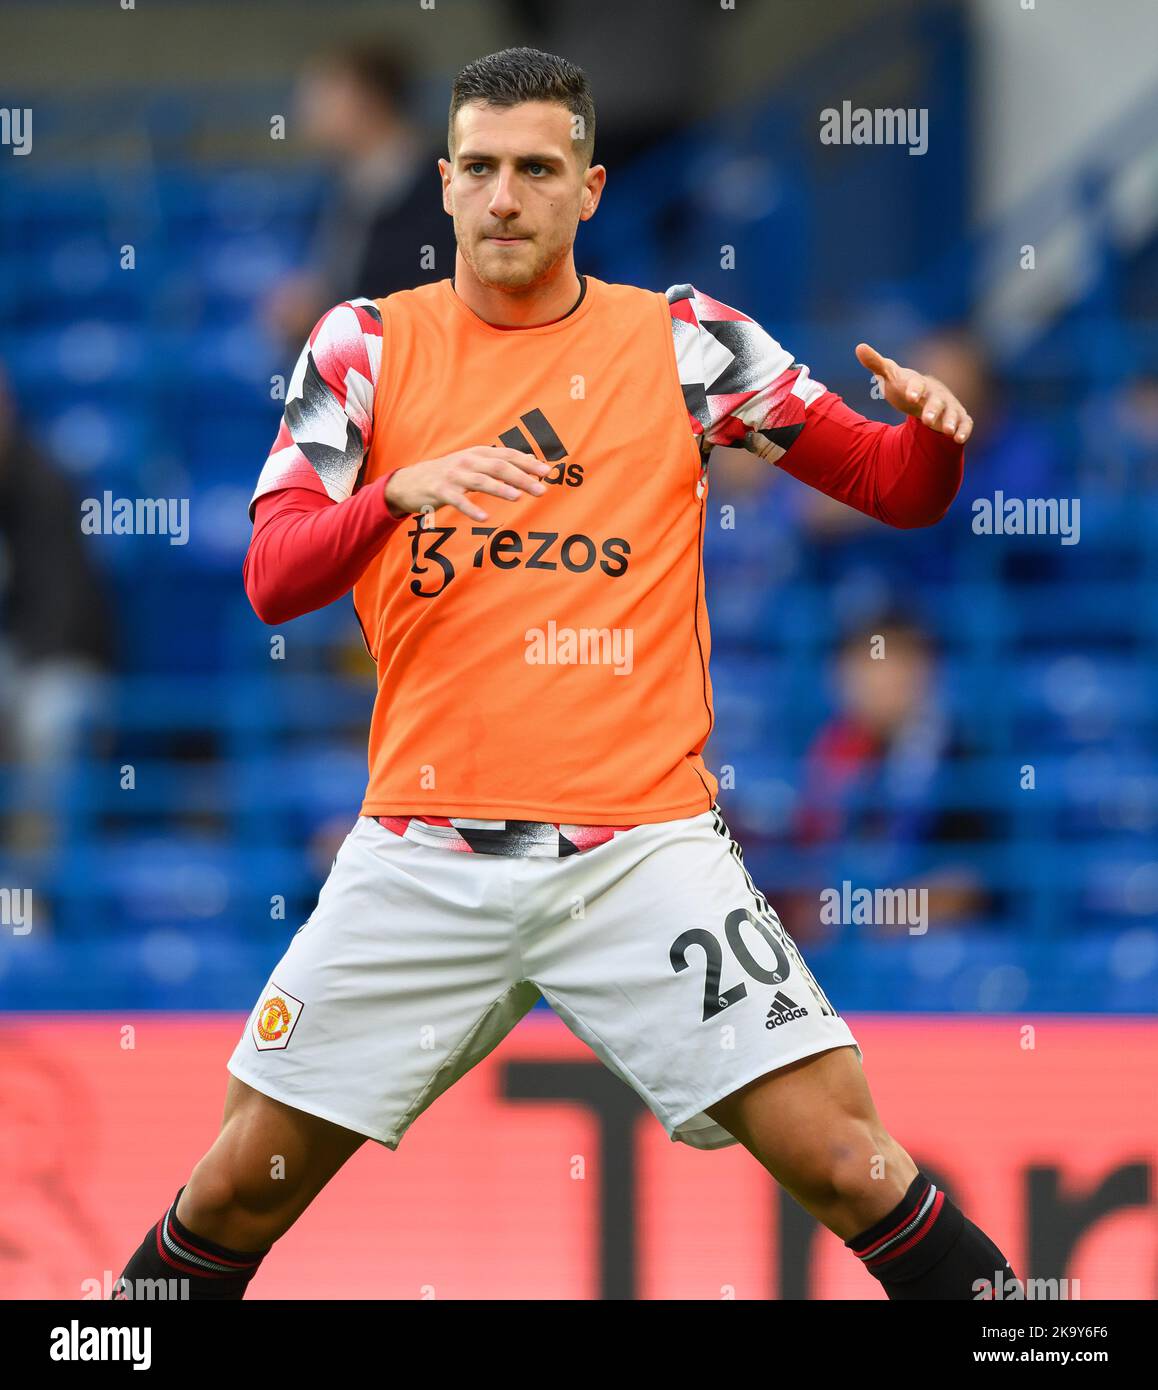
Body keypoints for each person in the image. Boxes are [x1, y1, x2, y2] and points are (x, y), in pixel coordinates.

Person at [114, 47, 1019, 1301]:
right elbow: (274, 575)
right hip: (423, 853)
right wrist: (393, 496)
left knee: (854, 1165)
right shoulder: (364, 347)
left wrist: (927, 433)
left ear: (590, 189)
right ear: (440, 183)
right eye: (479, 168)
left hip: (641, 854)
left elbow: (891, 488)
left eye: (537, 169)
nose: (503, 198)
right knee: (230, 1189)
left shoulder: (687, 341)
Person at [265, 42, 457, 349]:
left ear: (368, 101)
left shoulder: (442, 188)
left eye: (325, 94)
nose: (306, 109)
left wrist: (322, 312)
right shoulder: (344, 189)